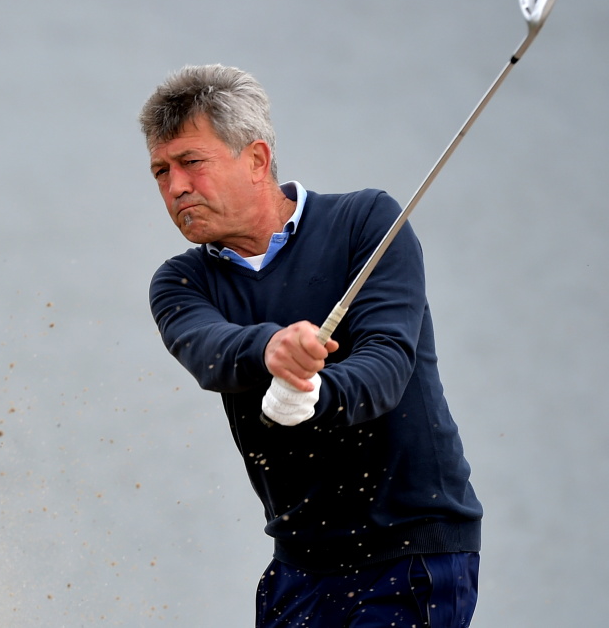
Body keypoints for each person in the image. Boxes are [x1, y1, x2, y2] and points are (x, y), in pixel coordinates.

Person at [139, 64, 483, 627]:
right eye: (161, 170)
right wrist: (272, 348)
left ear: (256, 159)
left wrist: (313, 392)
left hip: (412, 549)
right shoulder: (180, 282)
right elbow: (209, 352)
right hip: (300, 563)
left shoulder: (365, 222)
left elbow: (387, 364)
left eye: (191, 162)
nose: (175, 187)